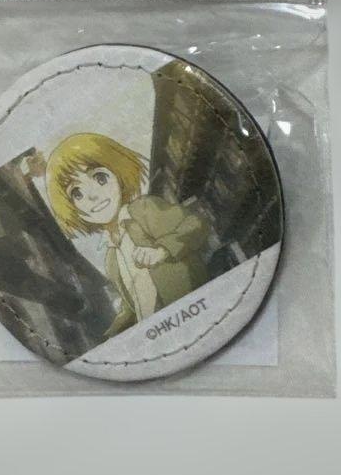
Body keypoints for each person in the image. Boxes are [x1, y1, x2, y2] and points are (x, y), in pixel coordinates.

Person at [26, 133, 213, 340]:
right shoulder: (111, 259)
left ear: (118, 173)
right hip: (162, 335)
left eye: (100, 178)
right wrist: (112, 333)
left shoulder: (143, 210)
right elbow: (133, 304)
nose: (92, 195)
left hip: (198, 313)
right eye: (76, 193)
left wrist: (162, 251)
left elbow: (196, 224)